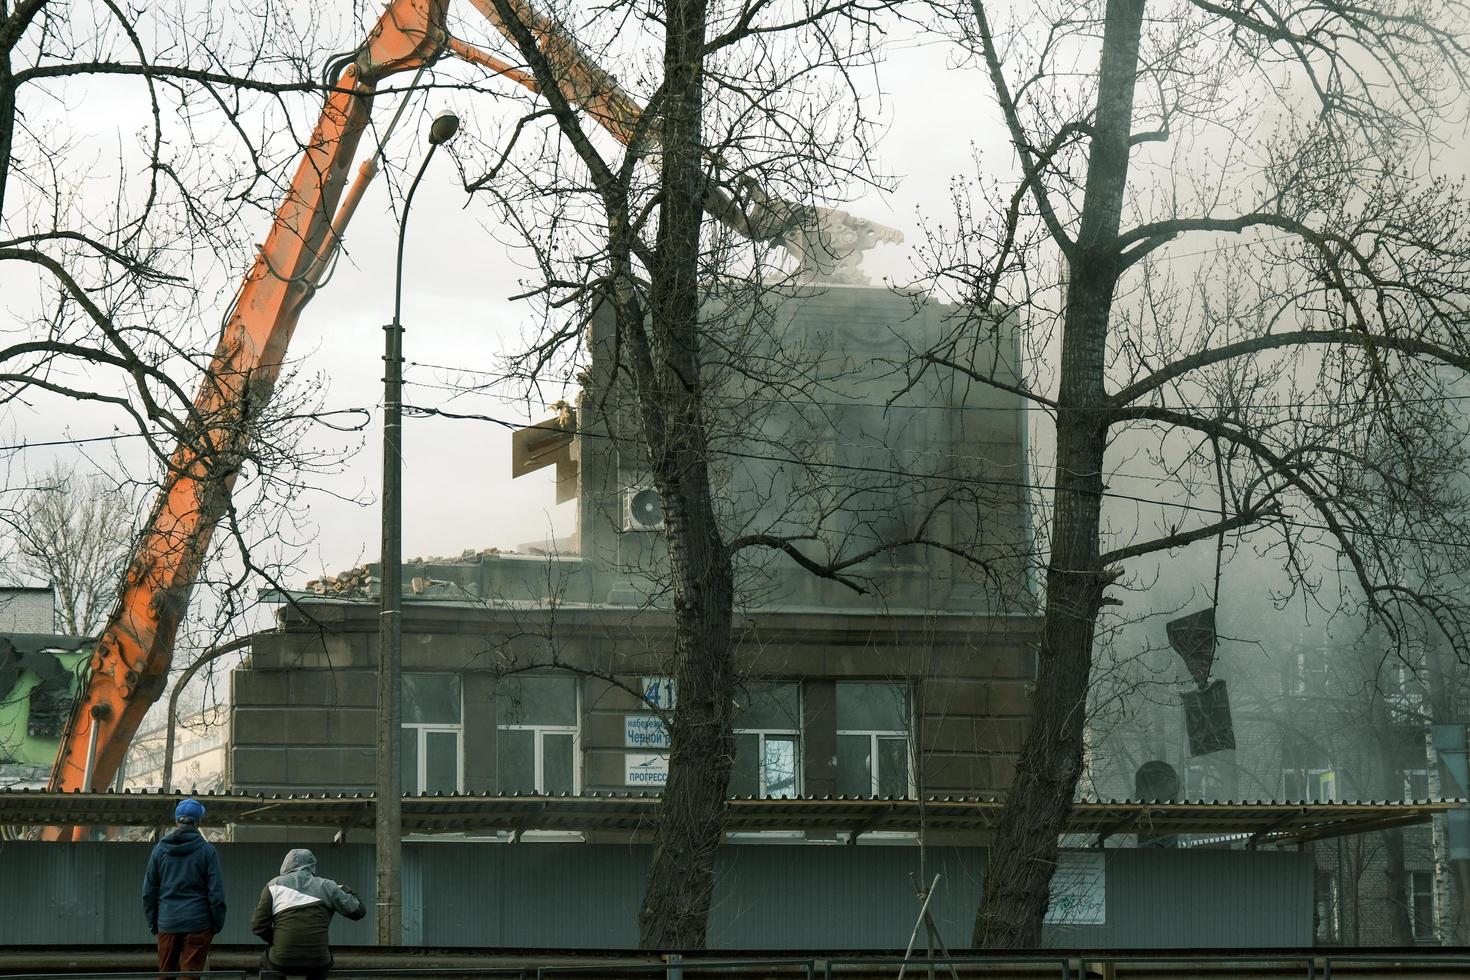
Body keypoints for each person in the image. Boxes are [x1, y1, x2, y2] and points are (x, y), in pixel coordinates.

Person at [142, 797, 226, 980]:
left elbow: (148, 892)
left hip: (167, 923)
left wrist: (154, 924)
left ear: (176, 820)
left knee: (166, 975)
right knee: (189, 977)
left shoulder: (159, 850)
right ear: (198, 822)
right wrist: (215, 925)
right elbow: (216, 893)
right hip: (198, 923)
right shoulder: (207, 851)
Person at [251, 848, 366, 980]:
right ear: (312, 866)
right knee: (323, 964)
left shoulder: (273, 885)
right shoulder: (328, 886)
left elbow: (257, 926)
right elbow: (358, 912)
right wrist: (344, 889)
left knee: (266, 961)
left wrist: (276, 940)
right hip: (318, 960)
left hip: (282, 959)